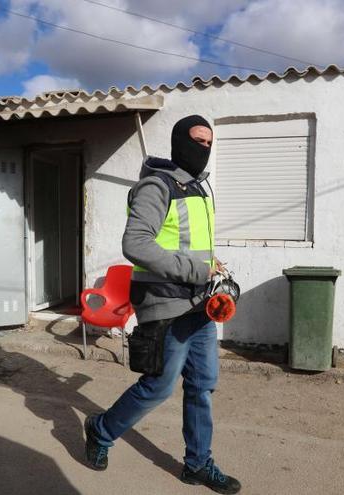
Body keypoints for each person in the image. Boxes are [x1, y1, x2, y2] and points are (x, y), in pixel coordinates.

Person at [84, 115, 241, 494]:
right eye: (197, 141)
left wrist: (211, 265)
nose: (204, 148)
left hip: (200, 304)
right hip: (165, 303)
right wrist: (193, 269)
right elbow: (135, 244)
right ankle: (100, 431)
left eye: (209, 143)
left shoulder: (200, 190)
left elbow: (189, 244)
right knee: (158, 385)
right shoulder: (156, 186)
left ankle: (197, 464)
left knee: (202, 385)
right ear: (178, 142)